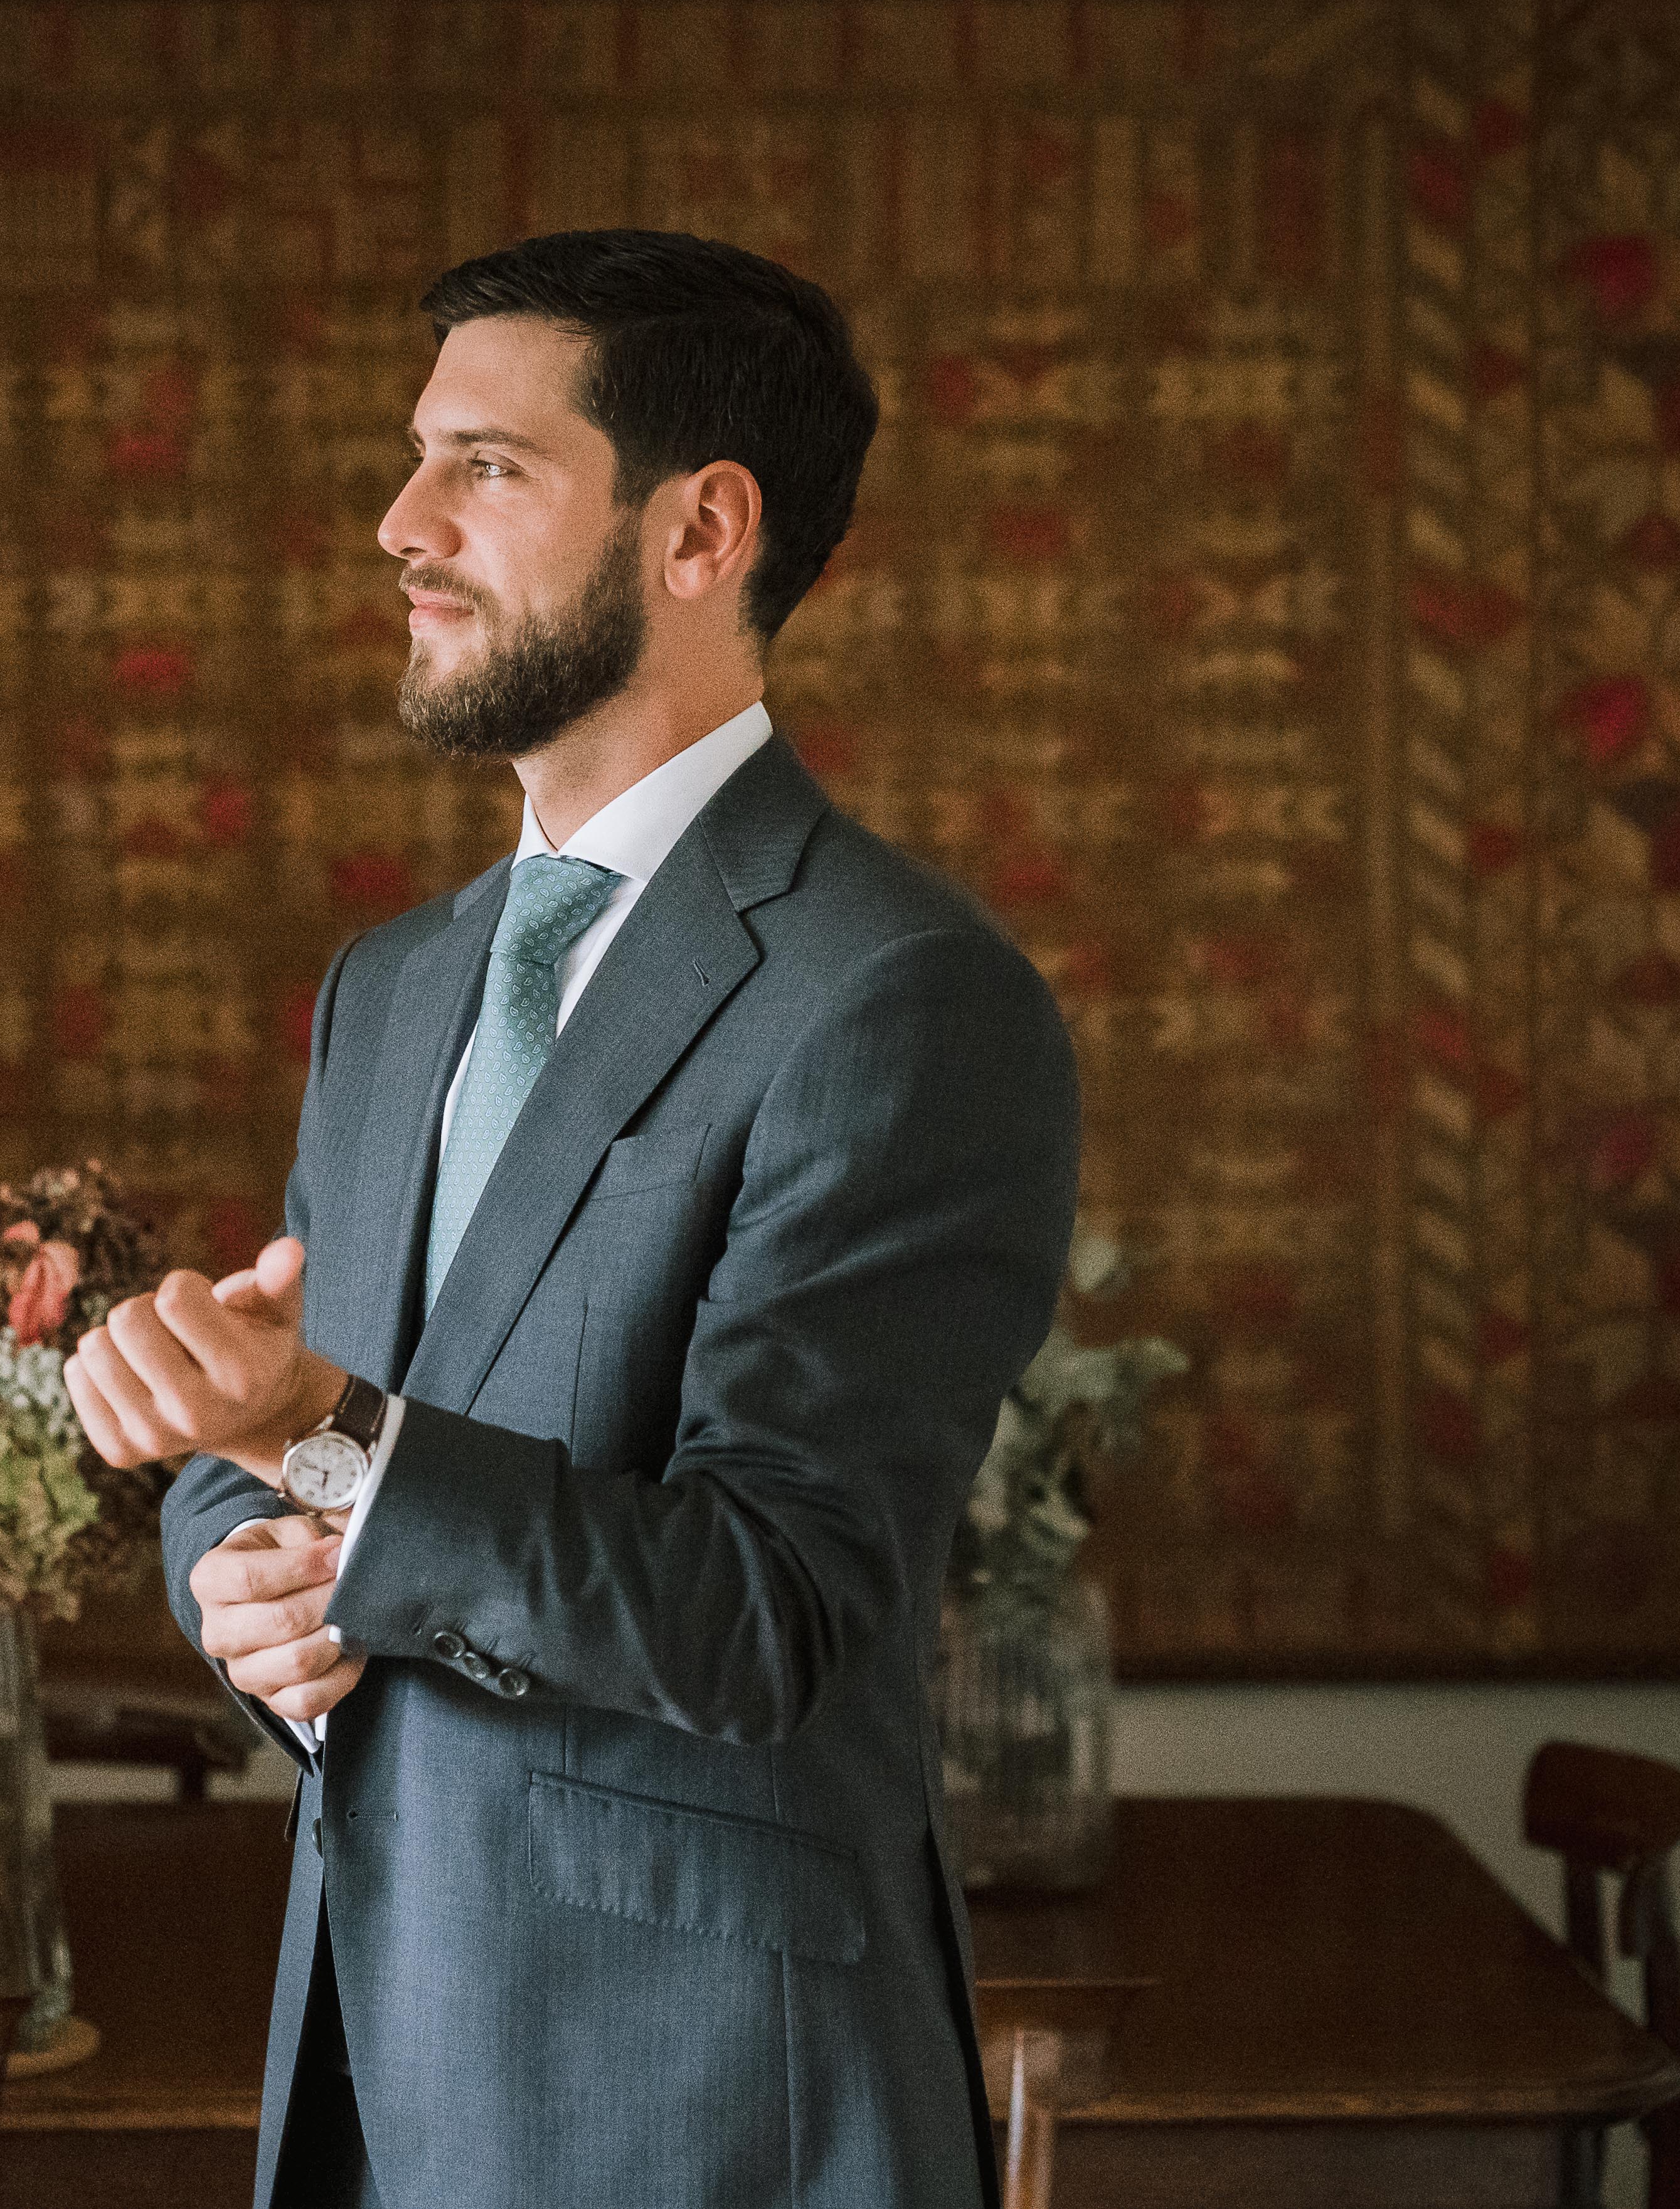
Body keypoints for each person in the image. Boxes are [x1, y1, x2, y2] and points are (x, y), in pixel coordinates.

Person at [64, 228, 1081, 2209]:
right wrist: (236, 1573)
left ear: (700, 530)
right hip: (371, 2068)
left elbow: (769, 1604)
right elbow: (309, 1445)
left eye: (486, 466)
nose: (398, 522)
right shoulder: (394, 985)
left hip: (705, 2109)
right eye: (415, 460)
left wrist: (310, 1438)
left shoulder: (899, 1000)